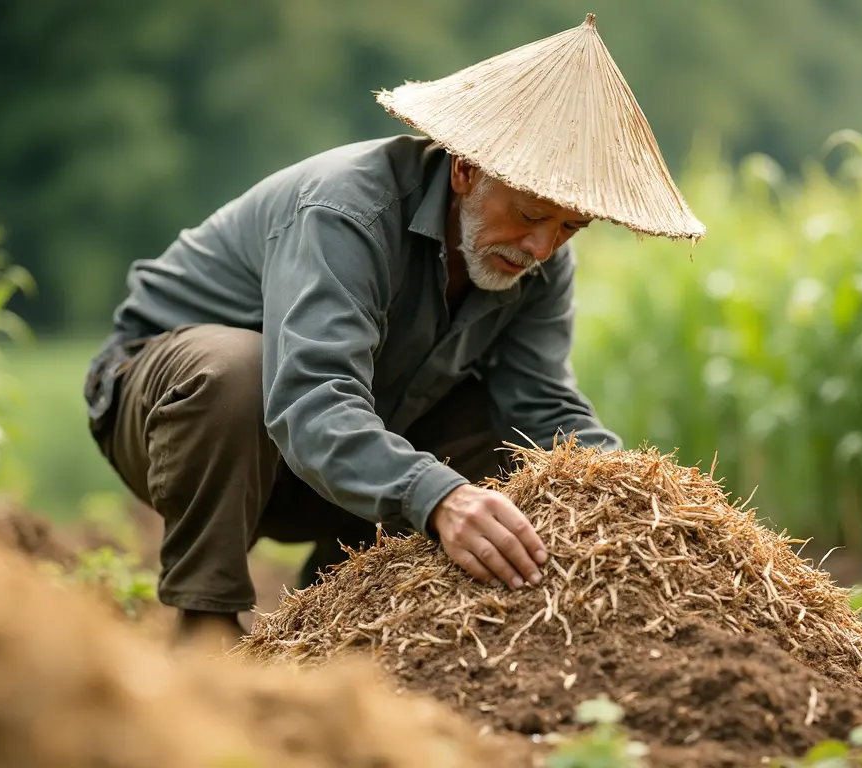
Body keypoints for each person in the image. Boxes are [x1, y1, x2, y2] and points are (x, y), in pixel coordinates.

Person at [83, 13, 704, 647]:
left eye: (570, 229)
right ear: (465, 171)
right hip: (178, 416)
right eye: (528, 215)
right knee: (238, 367)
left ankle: (337, 617)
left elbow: (540, 403)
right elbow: (310, 396)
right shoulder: (347, 211)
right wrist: (437, 497)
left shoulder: (538, 263)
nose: (542, 246)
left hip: (328, 455)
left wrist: (641, 493)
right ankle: (205, 621)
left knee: (502, 435)